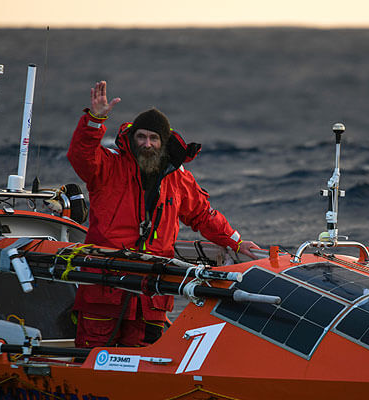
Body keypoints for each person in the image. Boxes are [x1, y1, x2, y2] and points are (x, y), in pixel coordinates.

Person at [67, 80, 261, 349]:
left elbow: (203, 215)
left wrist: (236, 242)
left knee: (147, 360)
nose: (147, 144)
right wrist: (95, 120)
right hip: (104, 285)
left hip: (152, 292)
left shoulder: (178, 178)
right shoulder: (107, 167)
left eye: (153, 138)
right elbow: (81, 155)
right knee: (91, 353)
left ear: (163, 142)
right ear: (131, 139)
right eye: (141, 137)